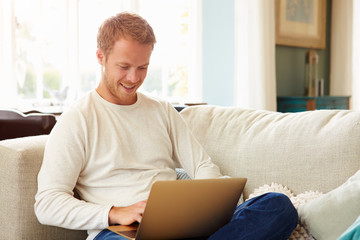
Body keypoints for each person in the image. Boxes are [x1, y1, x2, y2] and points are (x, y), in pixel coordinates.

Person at [34, 12, 298, 240]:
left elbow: (202, 165)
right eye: (124, 66)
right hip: (119, 231)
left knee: (277, 206)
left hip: (183, 226)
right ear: (100, 57)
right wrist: (114, 212)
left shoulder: (161, 110)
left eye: (143, 67)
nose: (133, 78)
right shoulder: (77, 119)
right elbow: (47, 203)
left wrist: (207, 208)